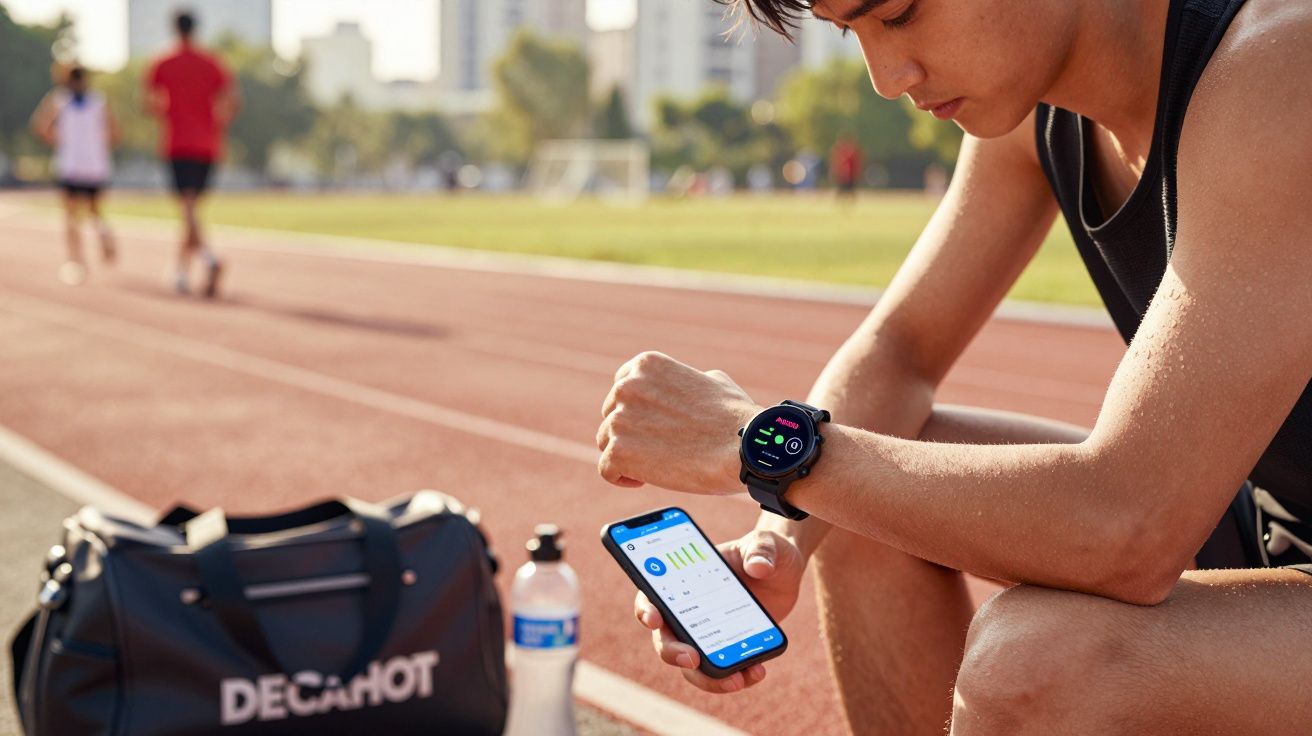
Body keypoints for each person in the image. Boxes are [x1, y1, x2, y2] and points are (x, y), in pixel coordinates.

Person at [595, 0, 1312, 733]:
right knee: (857, 510)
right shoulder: (1038, 112)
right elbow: (898, 354)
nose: (884, 76)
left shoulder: (1282, 61)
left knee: (1033, 663)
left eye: (900, 14)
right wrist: (780, 535)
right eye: (852, 32)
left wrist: (760, 443)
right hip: (1266, 523)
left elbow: (1130, 527)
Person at [144, 10, 239, 297]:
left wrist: (169, 113)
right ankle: (182, 273)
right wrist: (216, 123)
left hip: (178, 143)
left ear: (174, 29)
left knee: (187, 209)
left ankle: (209, 258)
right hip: (208, 145)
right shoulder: (212, 62)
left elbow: (149, 102)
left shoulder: (163, 62)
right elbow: (233, 101)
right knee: (190, 210)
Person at [30, 65, 119, 286]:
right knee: (94, 212)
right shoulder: (99, 101)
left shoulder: (59, 101)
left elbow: (40, 127)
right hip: (95, 167)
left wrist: (59, 140)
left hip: (70, 166)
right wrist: (97, 147)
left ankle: (76, 263)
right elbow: (115, 133)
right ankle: (104, 235)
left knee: (71, 218)